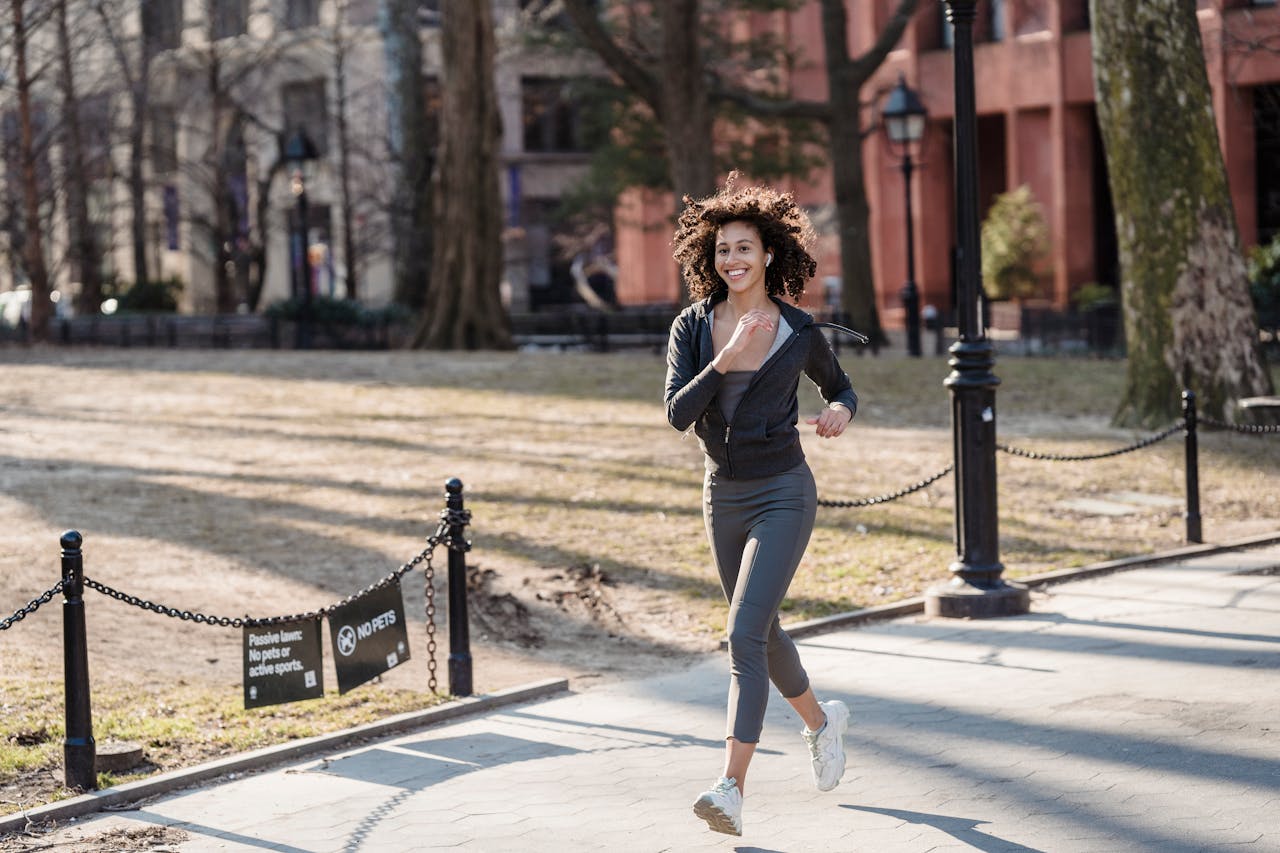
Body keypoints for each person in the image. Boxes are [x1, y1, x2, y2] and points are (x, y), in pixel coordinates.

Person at [664, 177, 858, 837]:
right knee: (763, 634)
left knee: (743, 634)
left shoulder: (800, 330)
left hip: (783, 491)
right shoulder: (692, 327)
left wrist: (837, 410)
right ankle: (822, 725)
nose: (732, 260)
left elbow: (843, 387)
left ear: (770, 254)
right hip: (724, 496)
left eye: (744, 248)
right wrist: (724, 359)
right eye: (722, 250)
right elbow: (676, 414)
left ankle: (731, 787)